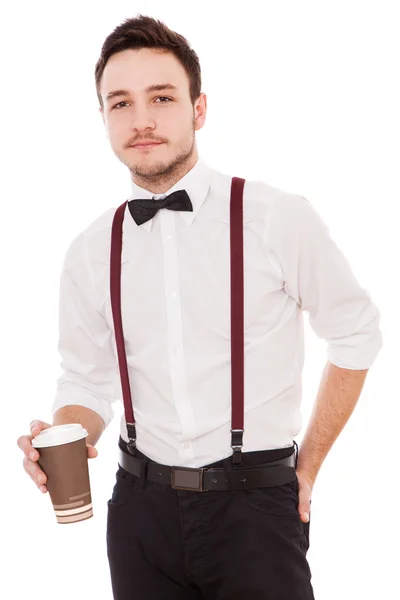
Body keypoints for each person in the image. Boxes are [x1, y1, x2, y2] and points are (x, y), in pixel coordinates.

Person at [17, 13, 382, 600]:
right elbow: (86, 379)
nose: (142, 120)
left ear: (198, 109)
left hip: (257, 509)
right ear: (104, 119)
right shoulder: (89, 250)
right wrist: (63, 431)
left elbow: (356, 332)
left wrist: (306, 467)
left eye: (161, 97)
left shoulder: (275, 217)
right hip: (138, 514)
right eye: (120, 103)